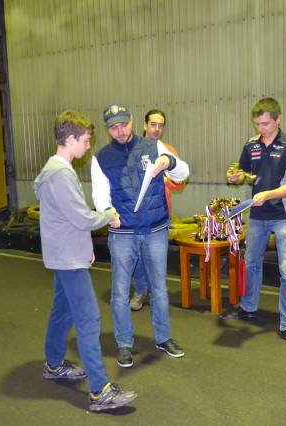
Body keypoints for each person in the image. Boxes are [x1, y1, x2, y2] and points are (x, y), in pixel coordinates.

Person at [34, 110, 137, 411]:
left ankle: (54, 364)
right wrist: (108, 216)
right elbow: (81, 217)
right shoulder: (61, 174)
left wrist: (84, 247)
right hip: (68, 259)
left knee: (62, 311)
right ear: (70, 139)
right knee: (89, 319)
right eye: (86, 140)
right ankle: (99, 391)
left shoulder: (56, 169)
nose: (89, 146)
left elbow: (66, 217)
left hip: (66, 253)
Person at [91, 103, 189, 368]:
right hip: (122, 234)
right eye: (114, 127)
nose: (120, 131)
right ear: (107, 129)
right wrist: (107, 210)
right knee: (120, 293)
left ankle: (163, 337)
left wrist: (170, 162)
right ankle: (124, 343)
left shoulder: (154, 146)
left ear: (133, 121)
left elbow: (183, 173)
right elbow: (99, 195)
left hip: (155, 230)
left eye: (124, 124)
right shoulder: (101, 158)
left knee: (160, 289)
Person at [221, 97, 286, 350]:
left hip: (284, 217)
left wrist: (268, 194)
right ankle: (248, 308)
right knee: (251, 263)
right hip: (257, 216)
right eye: (258, 124)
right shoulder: (251, 145)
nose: (261, 129)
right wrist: (235, 177)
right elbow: (245, 174)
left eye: (266, 124)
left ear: (278, 119)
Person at [129, 109, 186, 311]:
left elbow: (180, 183)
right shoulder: (132, 149)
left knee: (156, 257)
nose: (156, 129)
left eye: (160, 125)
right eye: (153, 124)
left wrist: (165, 180)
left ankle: (156, 291)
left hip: (160, 214)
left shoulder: (168, 151)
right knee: (137, 257)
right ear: (144, 125)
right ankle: (140, 290)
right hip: (135, 215)